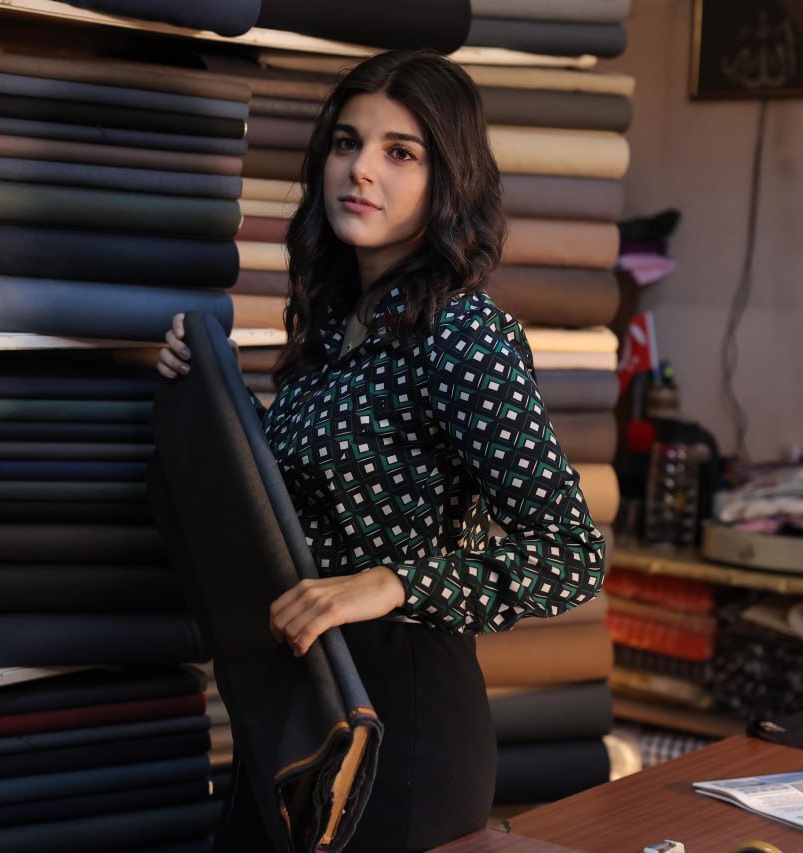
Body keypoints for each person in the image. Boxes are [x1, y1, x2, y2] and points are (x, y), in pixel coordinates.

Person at [159, 49, 606, 852]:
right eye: (346, 142)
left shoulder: (463, 334)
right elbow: (295, 503)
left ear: (448, 179)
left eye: (400, 152)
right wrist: (204, 392)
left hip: (405, 716)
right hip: (301, 703)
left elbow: (571, 553)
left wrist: (390, 582)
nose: (360, 169)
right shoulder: (333, 325)